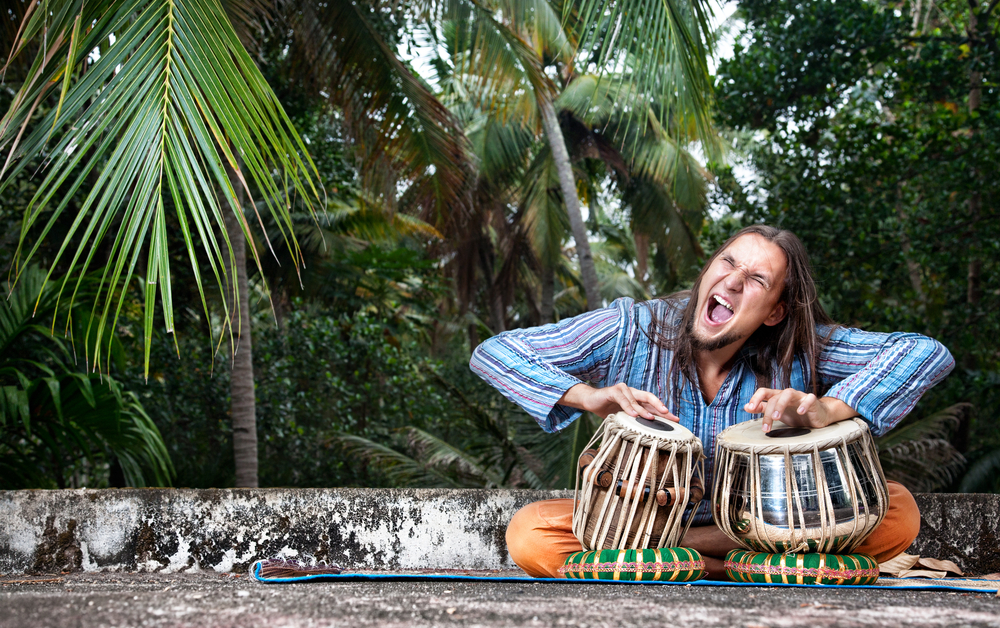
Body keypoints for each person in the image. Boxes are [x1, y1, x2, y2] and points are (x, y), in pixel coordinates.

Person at [470, 225, 955, 579]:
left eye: (758, 280)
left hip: (772, 523)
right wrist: (589, 396)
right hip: (637, 520)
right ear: (708, 272)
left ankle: (674, 560)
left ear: (774, 312)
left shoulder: (803, 347)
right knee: (531, 534)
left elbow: (924, 352)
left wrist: (826, 408)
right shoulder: (633, 327)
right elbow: (497, 352)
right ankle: (737, 566)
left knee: (897, 511)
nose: (734, 280)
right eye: (728, 262)